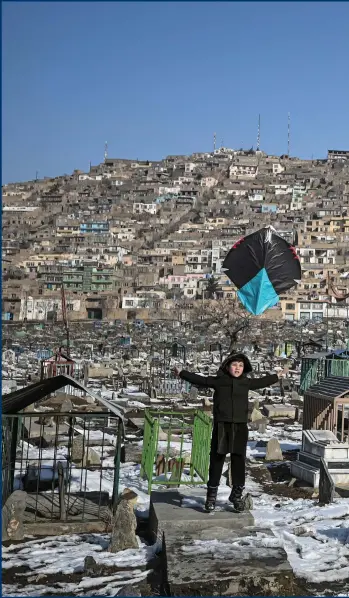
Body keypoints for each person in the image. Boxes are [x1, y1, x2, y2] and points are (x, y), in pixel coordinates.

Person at [174, 353, 286, 513]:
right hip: (222, 426)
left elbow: (261, 382)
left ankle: (236, 495)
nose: (237, 368)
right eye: (234, 365)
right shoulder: (220, 381)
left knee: (238, 461)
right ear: (227, 367)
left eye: (240, 366)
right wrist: (182, 373)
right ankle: (211, 497)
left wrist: (277, 376)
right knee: (217, 459)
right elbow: (201, 380)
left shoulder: (245, 382)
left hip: (240, 427)